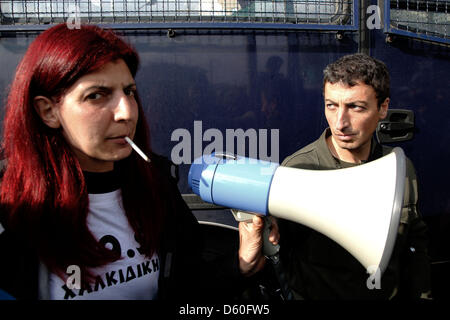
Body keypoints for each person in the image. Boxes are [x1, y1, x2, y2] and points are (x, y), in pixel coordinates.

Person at [0, 23, 276, 300]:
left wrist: (241, 264)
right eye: (96, 95)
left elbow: (186, 284)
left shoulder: (155, 183)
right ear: (48, 111)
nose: (126, 112)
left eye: (129, 91)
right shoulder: (13, 209)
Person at [276, 53, 432, 299]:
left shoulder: (401, 169)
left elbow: (415, 252)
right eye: (331, 105)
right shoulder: (298, 169)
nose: (340, 123)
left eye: (355, 107)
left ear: (383, 108)